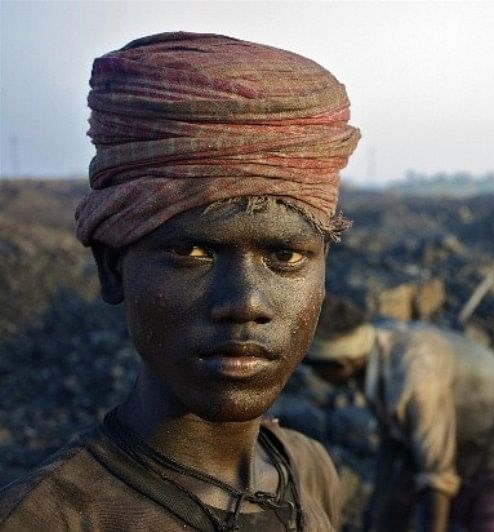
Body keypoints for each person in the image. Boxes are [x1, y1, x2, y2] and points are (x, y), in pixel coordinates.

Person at [0, 32, 360, 532]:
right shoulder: (46, 519)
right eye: (191, 252)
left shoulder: (310, 469)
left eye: (284, 255)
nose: (245, 303)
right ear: (112, 268)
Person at [305, 296, 494, 532]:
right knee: (399, 497)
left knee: (490, 507)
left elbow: (437, 476)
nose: (314, 377)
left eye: (315, 368)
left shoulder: (414, 380)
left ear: (341, 364)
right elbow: (390, 443)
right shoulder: (373, 354)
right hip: (445, 414)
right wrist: (374, 513)